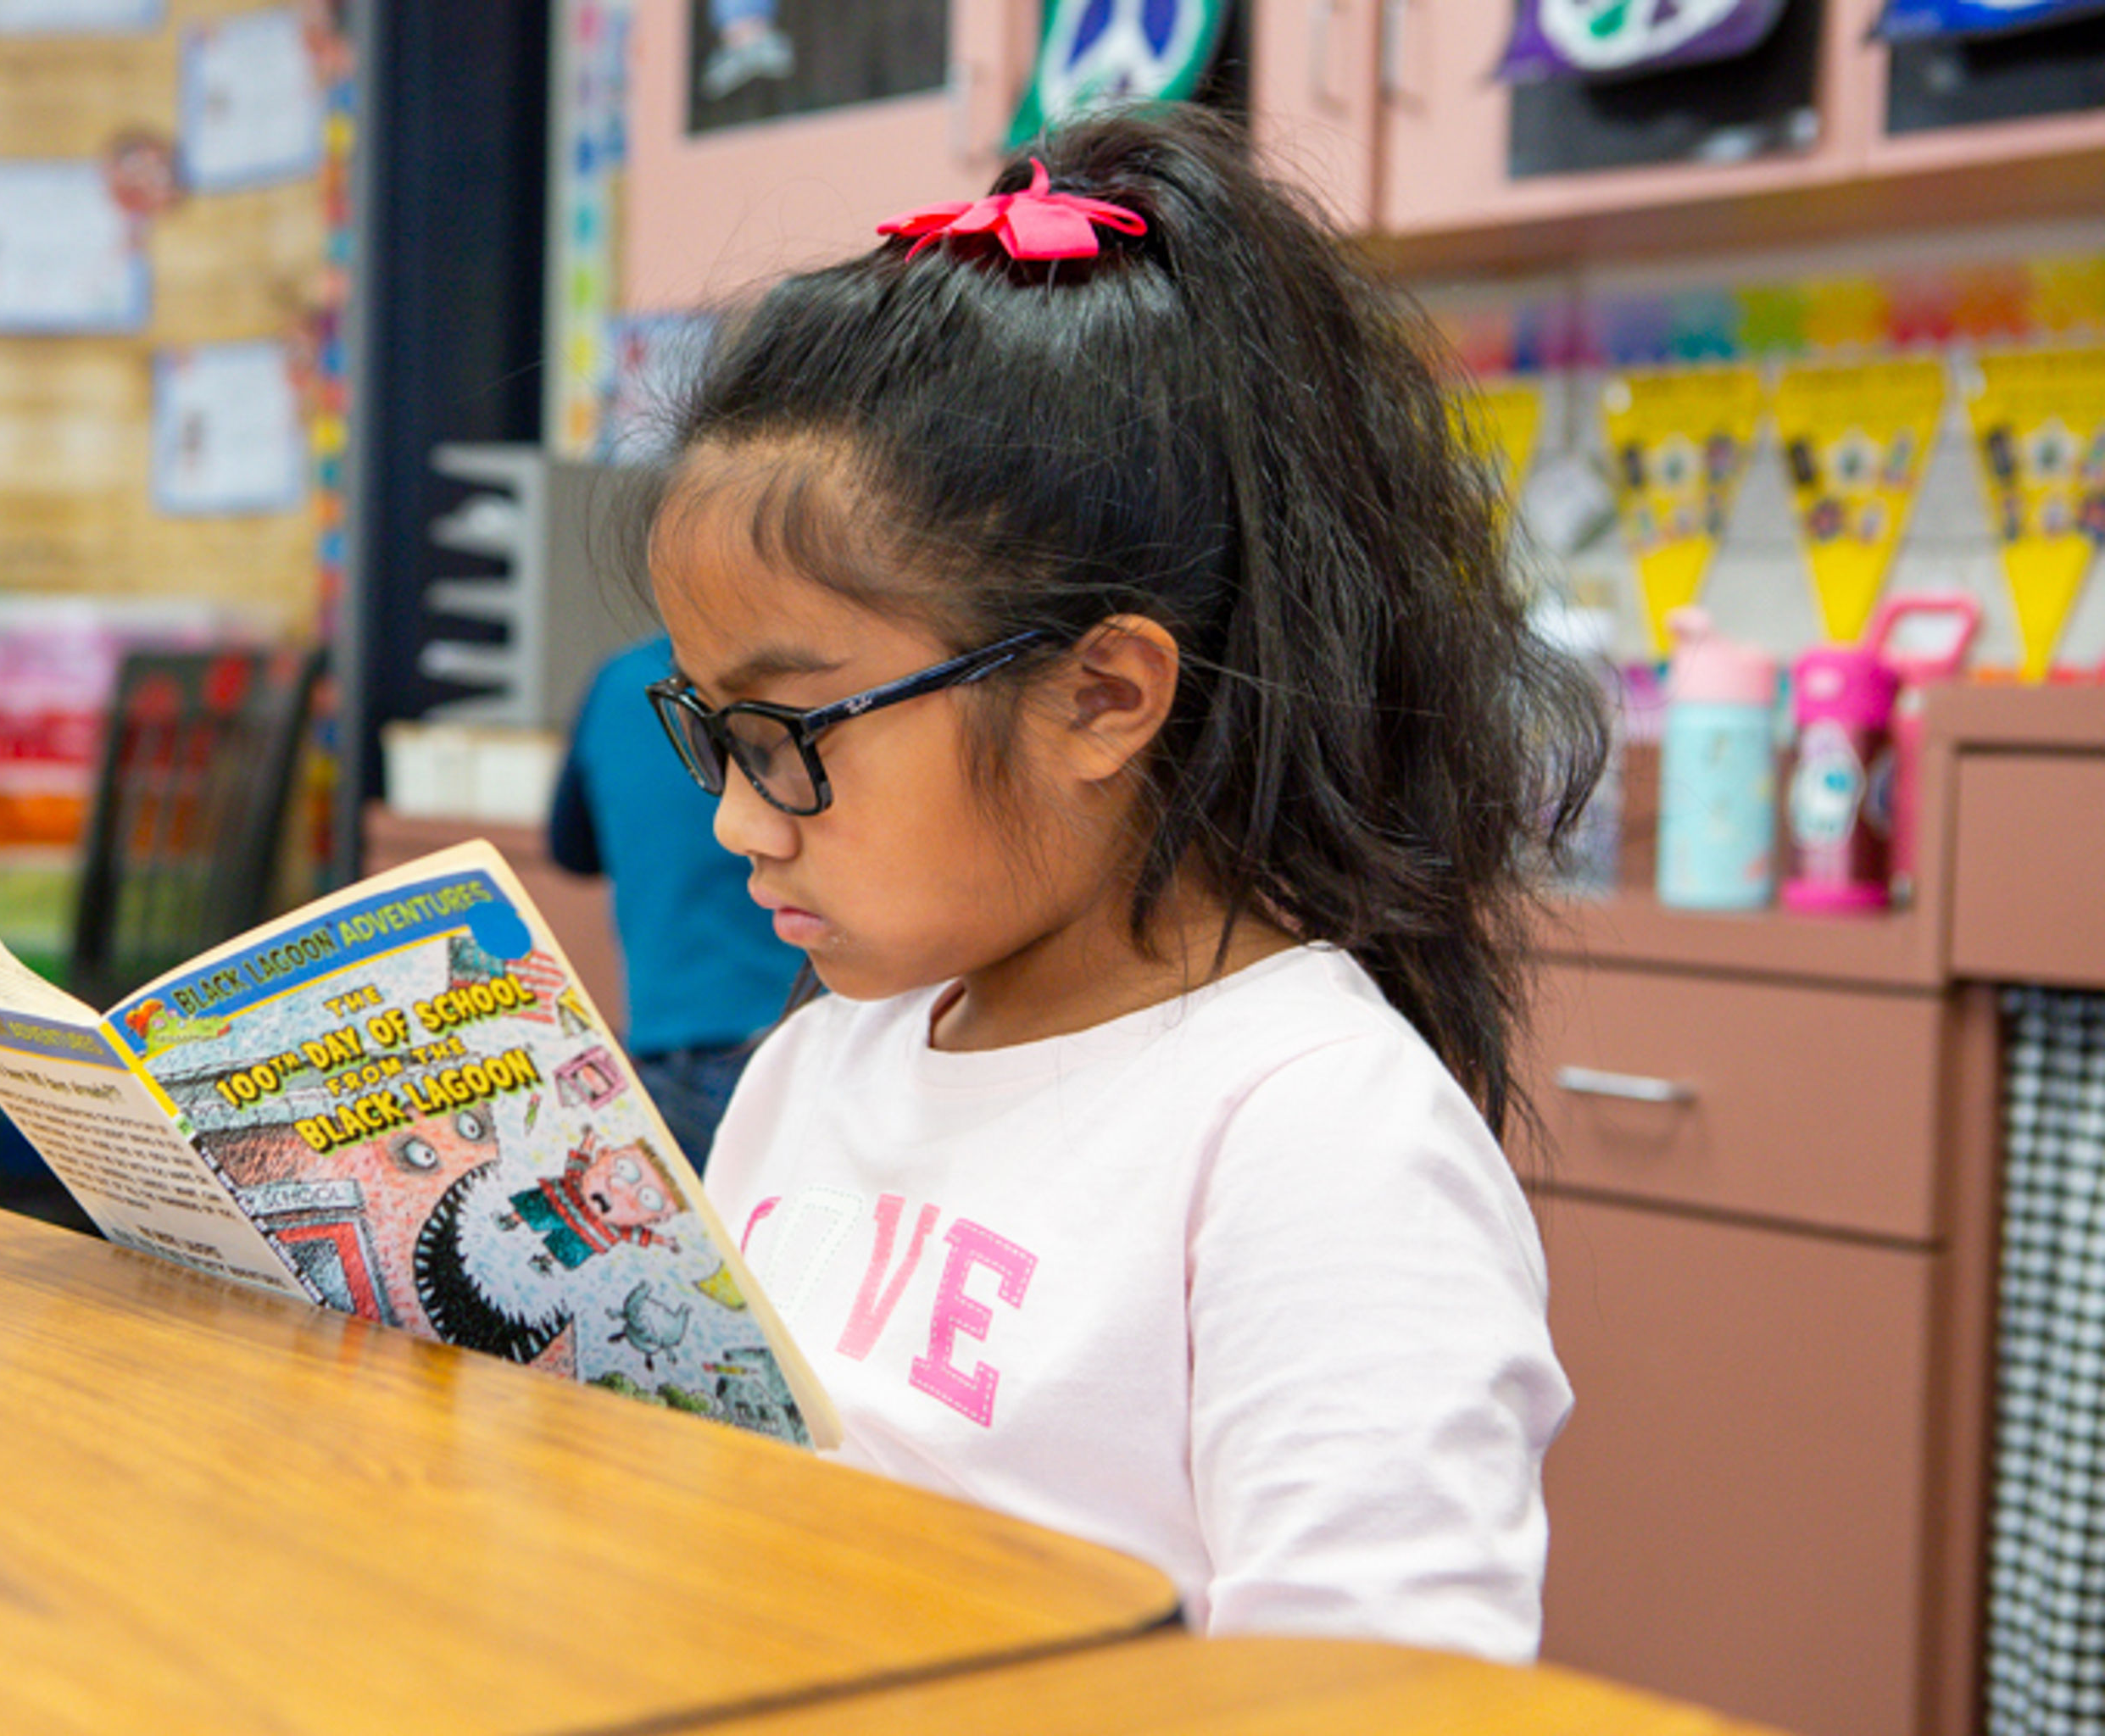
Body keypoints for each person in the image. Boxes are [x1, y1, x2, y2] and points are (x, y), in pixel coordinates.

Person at [633, 106, 1609, 1663]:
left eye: (790, 735)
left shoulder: (1310, 1131)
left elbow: (1373, 1693)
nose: (742, 823)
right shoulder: (820, 1062)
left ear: (1102, 695)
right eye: (709, 731)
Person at [548, 636, 798, 1171]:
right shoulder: (800, 678)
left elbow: (569, 849)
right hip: (789, 1038)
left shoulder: (619, 680)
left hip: (665, 1050)